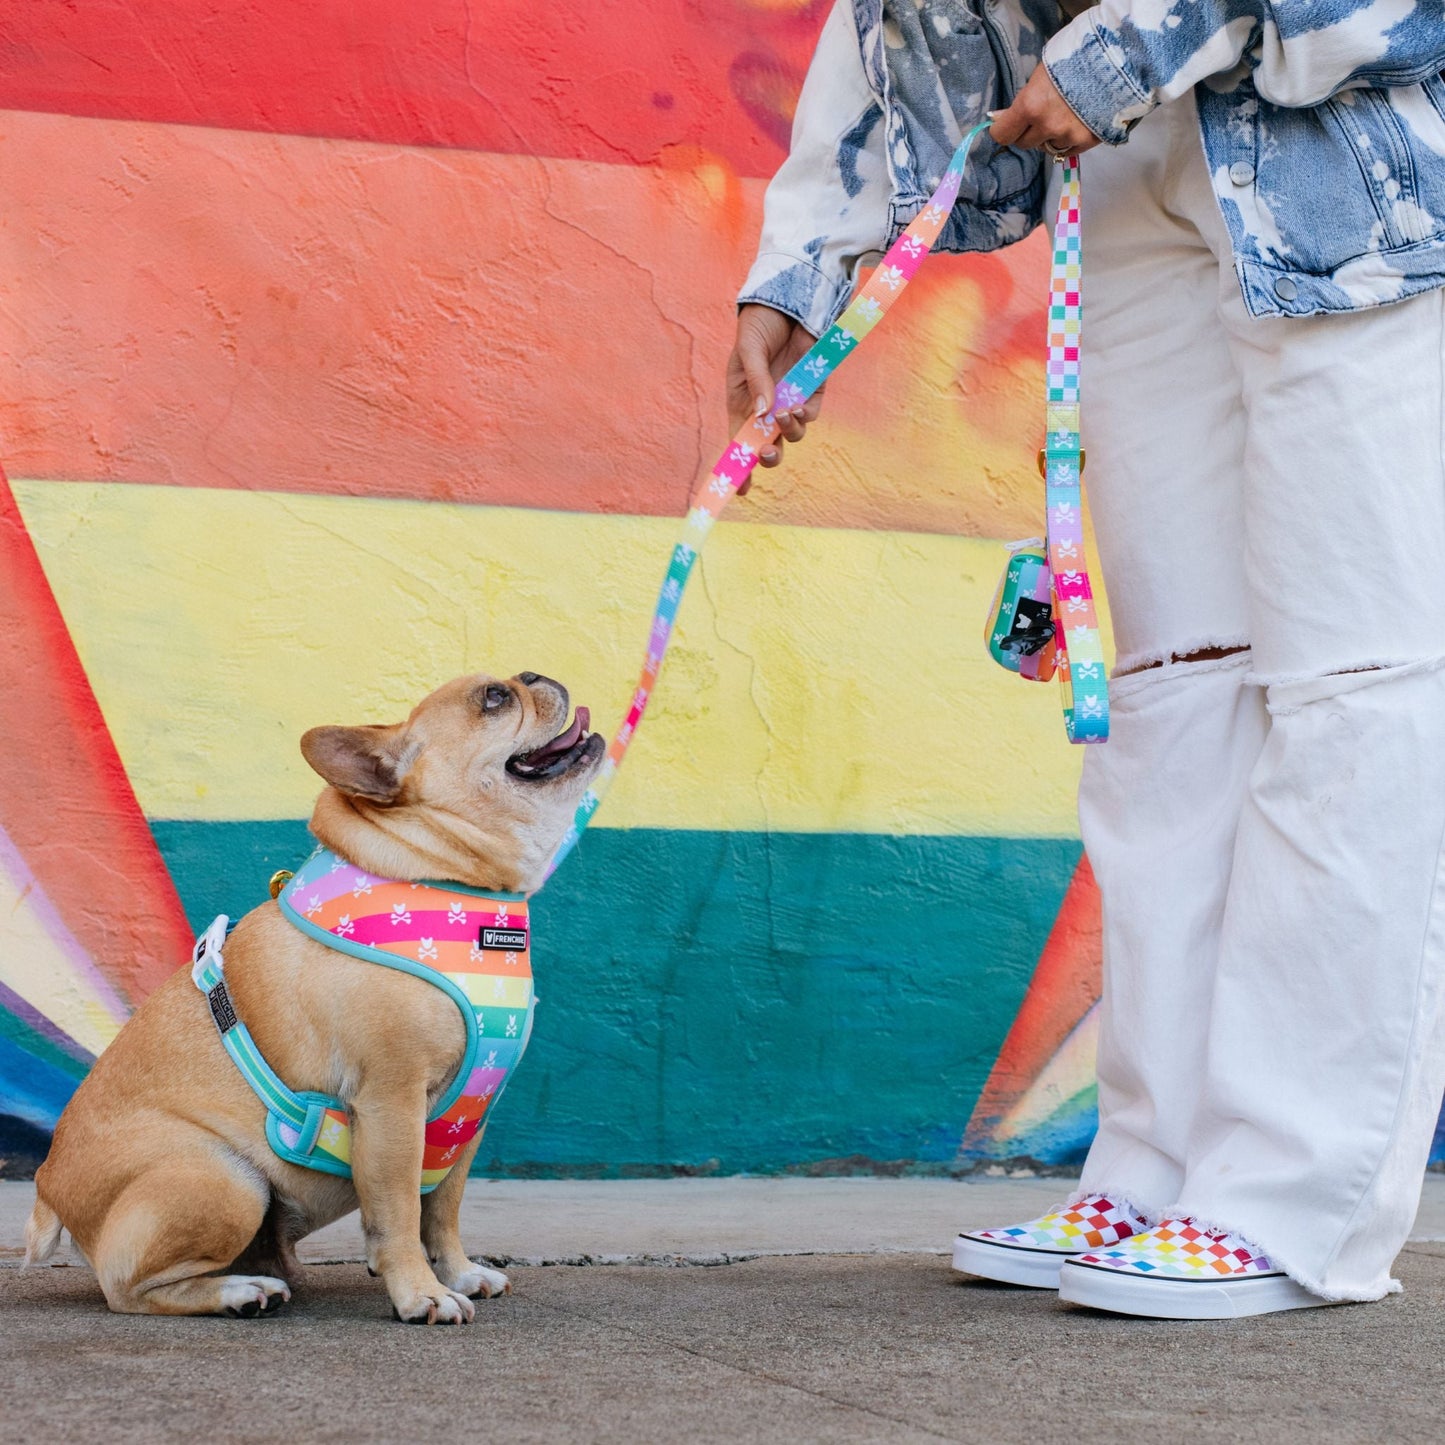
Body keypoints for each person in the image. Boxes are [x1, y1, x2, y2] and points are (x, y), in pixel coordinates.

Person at [727, 0, 1445, 1319]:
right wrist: (808, 268)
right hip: (1122, 170)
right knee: (1169, 696)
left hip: (1346, 161)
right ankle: (1162, 1167)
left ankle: (1293, 1200)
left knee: (1352, 690)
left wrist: (1142, 35)